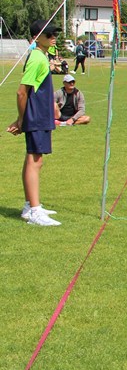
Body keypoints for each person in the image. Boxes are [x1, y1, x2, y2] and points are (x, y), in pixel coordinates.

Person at [9, 22, 63, 226]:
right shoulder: (37, 58)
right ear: (36, 37)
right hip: (36, 116)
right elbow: (22, 92)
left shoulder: (42, 56)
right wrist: (21, 119)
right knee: (35, 160)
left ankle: (29, 205)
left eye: (55, 33)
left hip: (41, 115)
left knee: (32, 158)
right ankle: (34, 210)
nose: (53, 37)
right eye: (49, 34)